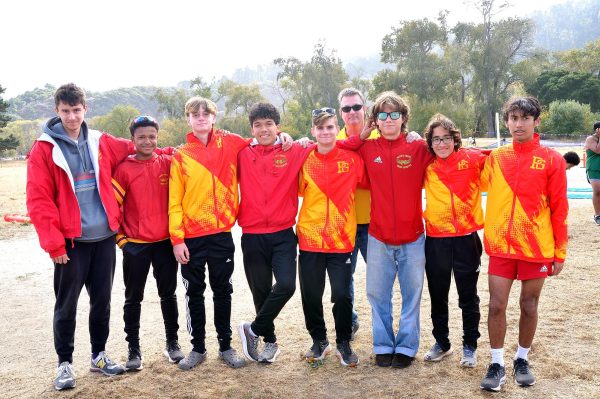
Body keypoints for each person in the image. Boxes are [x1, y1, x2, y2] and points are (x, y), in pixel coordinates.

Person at [169, 97, 292, 370]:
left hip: (222, 234)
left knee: (223, 291)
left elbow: (262, 139)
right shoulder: (181, 154)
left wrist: (284, 135)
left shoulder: (231, 141)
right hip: (191, 237)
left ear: (214, 117)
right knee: (194, 294)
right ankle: (198, 348)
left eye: (206, 113)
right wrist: (177, 239)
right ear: (188, 119)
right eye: (195, 114)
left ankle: (226, 346)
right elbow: (174, 200)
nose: (201, 118)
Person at [26, 83, 128, 391]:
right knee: (66, 305)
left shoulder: (99, 140)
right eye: (66, 111)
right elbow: (39, 200)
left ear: (86, 109)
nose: (72, 117)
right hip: (71, 244)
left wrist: (169, 152)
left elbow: (140, 145)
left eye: (77, 110)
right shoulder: (44, 149)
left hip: (104, 239)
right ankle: (64, 364)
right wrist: (54, 244)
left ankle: (99, 356)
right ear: (57, 111)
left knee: (102, 302)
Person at [479, 97, 568, 392]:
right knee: (496, 305)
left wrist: (559, 252)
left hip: (535, 248)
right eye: (513, 118)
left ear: (536, 121)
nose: (519, 124)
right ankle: (496, 363)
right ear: (506, 121)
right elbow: (466, 176)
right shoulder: (496, 158)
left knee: (529, 305)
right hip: (501, 247)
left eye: (525, 118)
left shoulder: (552, 159)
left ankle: (521, 358)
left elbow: (559, 207)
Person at [354, 91, 434, 368]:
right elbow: (339, 149)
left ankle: (407, 346)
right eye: (383, 115)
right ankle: (383, 344)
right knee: (377, 294)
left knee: (412, 295)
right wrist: (363, 135)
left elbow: (447, 149)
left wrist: (422, 139)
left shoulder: (417, 148)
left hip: (413, 237)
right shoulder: (367, 148)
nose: (389, 120)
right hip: (378, 236)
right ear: (375, 120)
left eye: (395, 114)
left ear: (403, 118)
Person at [237, 103, 313, 363]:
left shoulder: (292, 150)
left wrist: (299, 138)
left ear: (278, 127)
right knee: (260, 290)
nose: (264, 129)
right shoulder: (242, 153)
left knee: (286, 285)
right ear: (252, 129)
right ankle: (269, 342)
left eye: (269, 124)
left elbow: (324, 143)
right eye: (258, 125)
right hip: (252, 234)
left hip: (283, 234)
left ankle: (253, 330)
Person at [112, 115, 184, 371]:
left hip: (165, 243)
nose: (147, 141)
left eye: (152, 136)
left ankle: (172, 343)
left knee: (169, 295)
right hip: (135, 244)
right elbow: (112, 208)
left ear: (158, 137)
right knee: (133, 298)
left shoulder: (168, 162)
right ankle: (133, 349)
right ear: (132, 139)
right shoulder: (123, 168)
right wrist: (121, 240)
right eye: (141, 136)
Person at [297, 107, 365, 367]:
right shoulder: (305, 160)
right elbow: (298, 190)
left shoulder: (351, 159)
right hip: (310, 240)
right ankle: (319, 340)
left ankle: (344, 343)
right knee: (311, 294)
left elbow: (371, 182)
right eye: (319, 128)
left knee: (342, 294)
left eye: (329, 127)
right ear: (312, 131)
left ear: (337, 130)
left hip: (341, 241)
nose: (325, 132)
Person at [421, 114, 486, 368]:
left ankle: (470, 345)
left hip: (466, 239)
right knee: (438, 295)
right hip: (436, 240)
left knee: (467, 296)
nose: (441, 144)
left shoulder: (471, 159)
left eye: (446, 138)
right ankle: (442, 343)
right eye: (436, 139)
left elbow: (501, 158)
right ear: (431, 143)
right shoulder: (427, 164)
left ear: (455, 139)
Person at [336, 87, 379, 338]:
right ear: (341, 112)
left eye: (356, 107)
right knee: (344, 280)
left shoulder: (380, 135)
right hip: (345, 224)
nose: (352, 112)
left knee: (377, 281)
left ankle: (380, 327)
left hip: (374, 222)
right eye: (346, 108)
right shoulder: (334, 137)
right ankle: (349, 321)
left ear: (365, 108)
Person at [584, 121, 600, 225]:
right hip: (593, 168)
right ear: (596, 129)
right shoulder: (590, 139)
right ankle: (597, 215)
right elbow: (598, 150)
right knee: (598, 191)